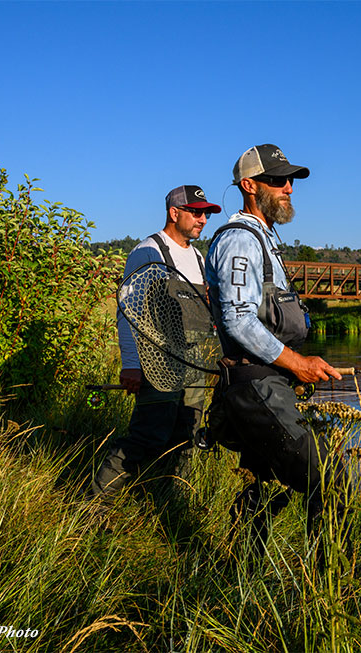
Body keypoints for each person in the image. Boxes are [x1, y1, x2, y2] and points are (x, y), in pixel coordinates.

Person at [204, 144, 344, 555]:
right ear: (249, 185)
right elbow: (237, 319)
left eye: (290, 181)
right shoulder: (238, 241)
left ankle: (237, 576)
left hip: (265, 381)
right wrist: (297, 363)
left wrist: (295, 367)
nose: (289, 188)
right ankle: (326, 585)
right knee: (327, 479)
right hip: (253, 385)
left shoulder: (264, 238)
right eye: (278, 180)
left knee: (261, 489)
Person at [91, 184, 221, 506]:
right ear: (174, 213)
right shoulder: (147, 252)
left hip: (193, 364)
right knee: (148, 436)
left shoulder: (198, 257)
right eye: (195, 212)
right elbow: (127, 313)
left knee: (186, 439)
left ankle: (165, 505)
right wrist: (131, 364)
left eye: (205, 213)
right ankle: (95, 507)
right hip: (156, 362)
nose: (202, 219)